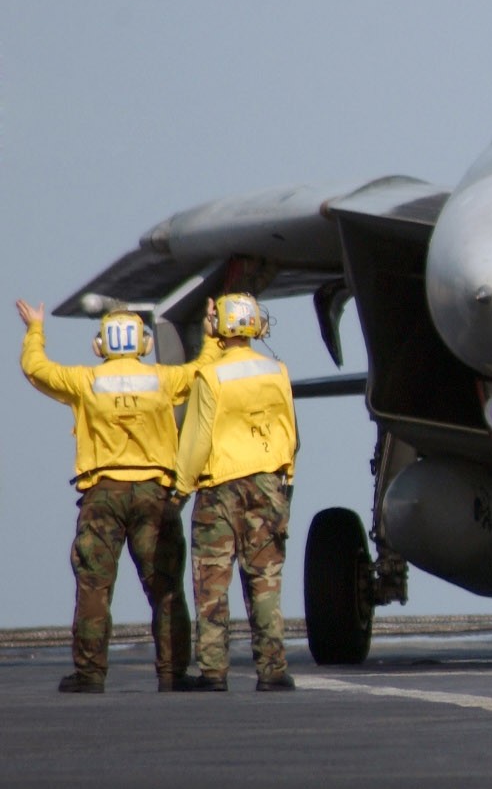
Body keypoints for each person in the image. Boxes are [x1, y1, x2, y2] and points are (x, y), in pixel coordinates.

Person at [16, 298, 219, 693]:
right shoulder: (162, 379)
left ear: (99, 346)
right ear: (143, 345)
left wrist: (35, 330)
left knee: (94, 586)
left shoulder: (86, 382)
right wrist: (210, 337)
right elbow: (203, 372)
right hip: (153, 496)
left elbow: (35, 370)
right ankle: (173, 673)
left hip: (102, 496)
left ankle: (90, 675)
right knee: (166, 588)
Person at [170, 292, 298, 693]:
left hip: (220, 489)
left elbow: (198, 437)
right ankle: (273, 670)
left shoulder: (212, 376)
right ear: (256, 327)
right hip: (268, 484)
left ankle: (213, 671)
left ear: (218, 328)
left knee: (212, 582)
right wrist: (285, 477)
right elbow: (289, 431)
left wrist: (179, 488)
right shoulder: (277, 371)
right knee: (265, 580)